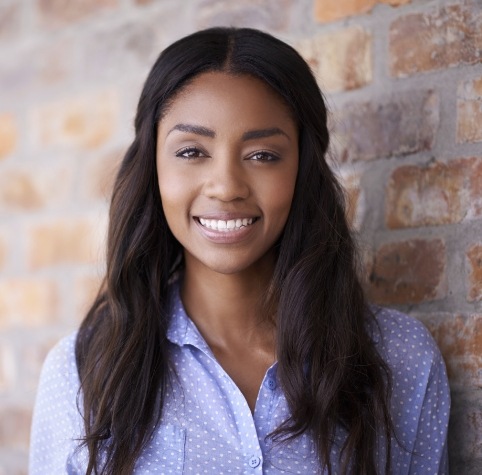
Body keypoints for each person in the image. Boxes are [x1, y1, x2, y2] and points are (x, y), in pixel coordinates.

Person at [29, 27, 450, 475]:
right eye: (191, 151)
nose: (227, 186)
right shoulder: (81, 372)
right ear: (153, 167)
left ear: (302, 171)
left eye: (263, 155)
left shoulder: (399, 358)